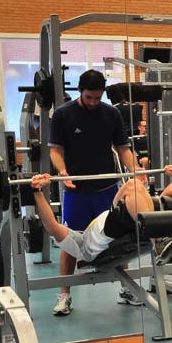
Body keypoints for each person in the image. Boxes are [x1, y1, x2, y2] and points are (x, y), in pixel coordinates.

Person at [49, 69, 141, 316]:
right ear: (80, 91)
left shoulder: (111, 114)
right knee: (70, 242)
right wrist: (63, 172)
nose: (93, 102)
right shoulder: (62, 114)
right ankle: (64, 295)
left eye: (97, 98)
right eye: (89, 97)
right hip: (76, 191)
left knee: (119, 238)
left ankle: (126, 288)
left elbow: (123, 148)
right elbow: (55, 150)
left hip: (106, 189)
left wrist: (136, 169)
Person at [29, 166, 172, 274]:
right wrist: (37, 191)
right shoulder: (81, 245)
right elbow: (51, 226)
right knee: (133, 185)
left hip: (128, 218)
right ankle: (159, 241)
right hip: (111, 233)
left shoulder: (89, 226)